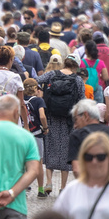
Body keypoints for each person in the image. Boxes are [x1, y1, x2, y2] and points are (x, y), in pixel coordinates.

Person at [39, 53, 85, 192]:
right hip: (68, 119)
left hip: (51, 117)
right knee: (66, 151)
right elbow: (82, 100)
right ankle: (63, 187)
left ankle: (48, 182)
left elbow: (37, 79)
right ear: (76, 66)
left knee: (50, 148)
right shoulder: (77, 80)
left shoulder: (52, 74)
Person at [68, 99, 109, 166]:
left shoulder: (77, 136)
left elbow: (76, 169)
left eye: (75, 119)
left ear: (85, 115)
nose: (75, 126)